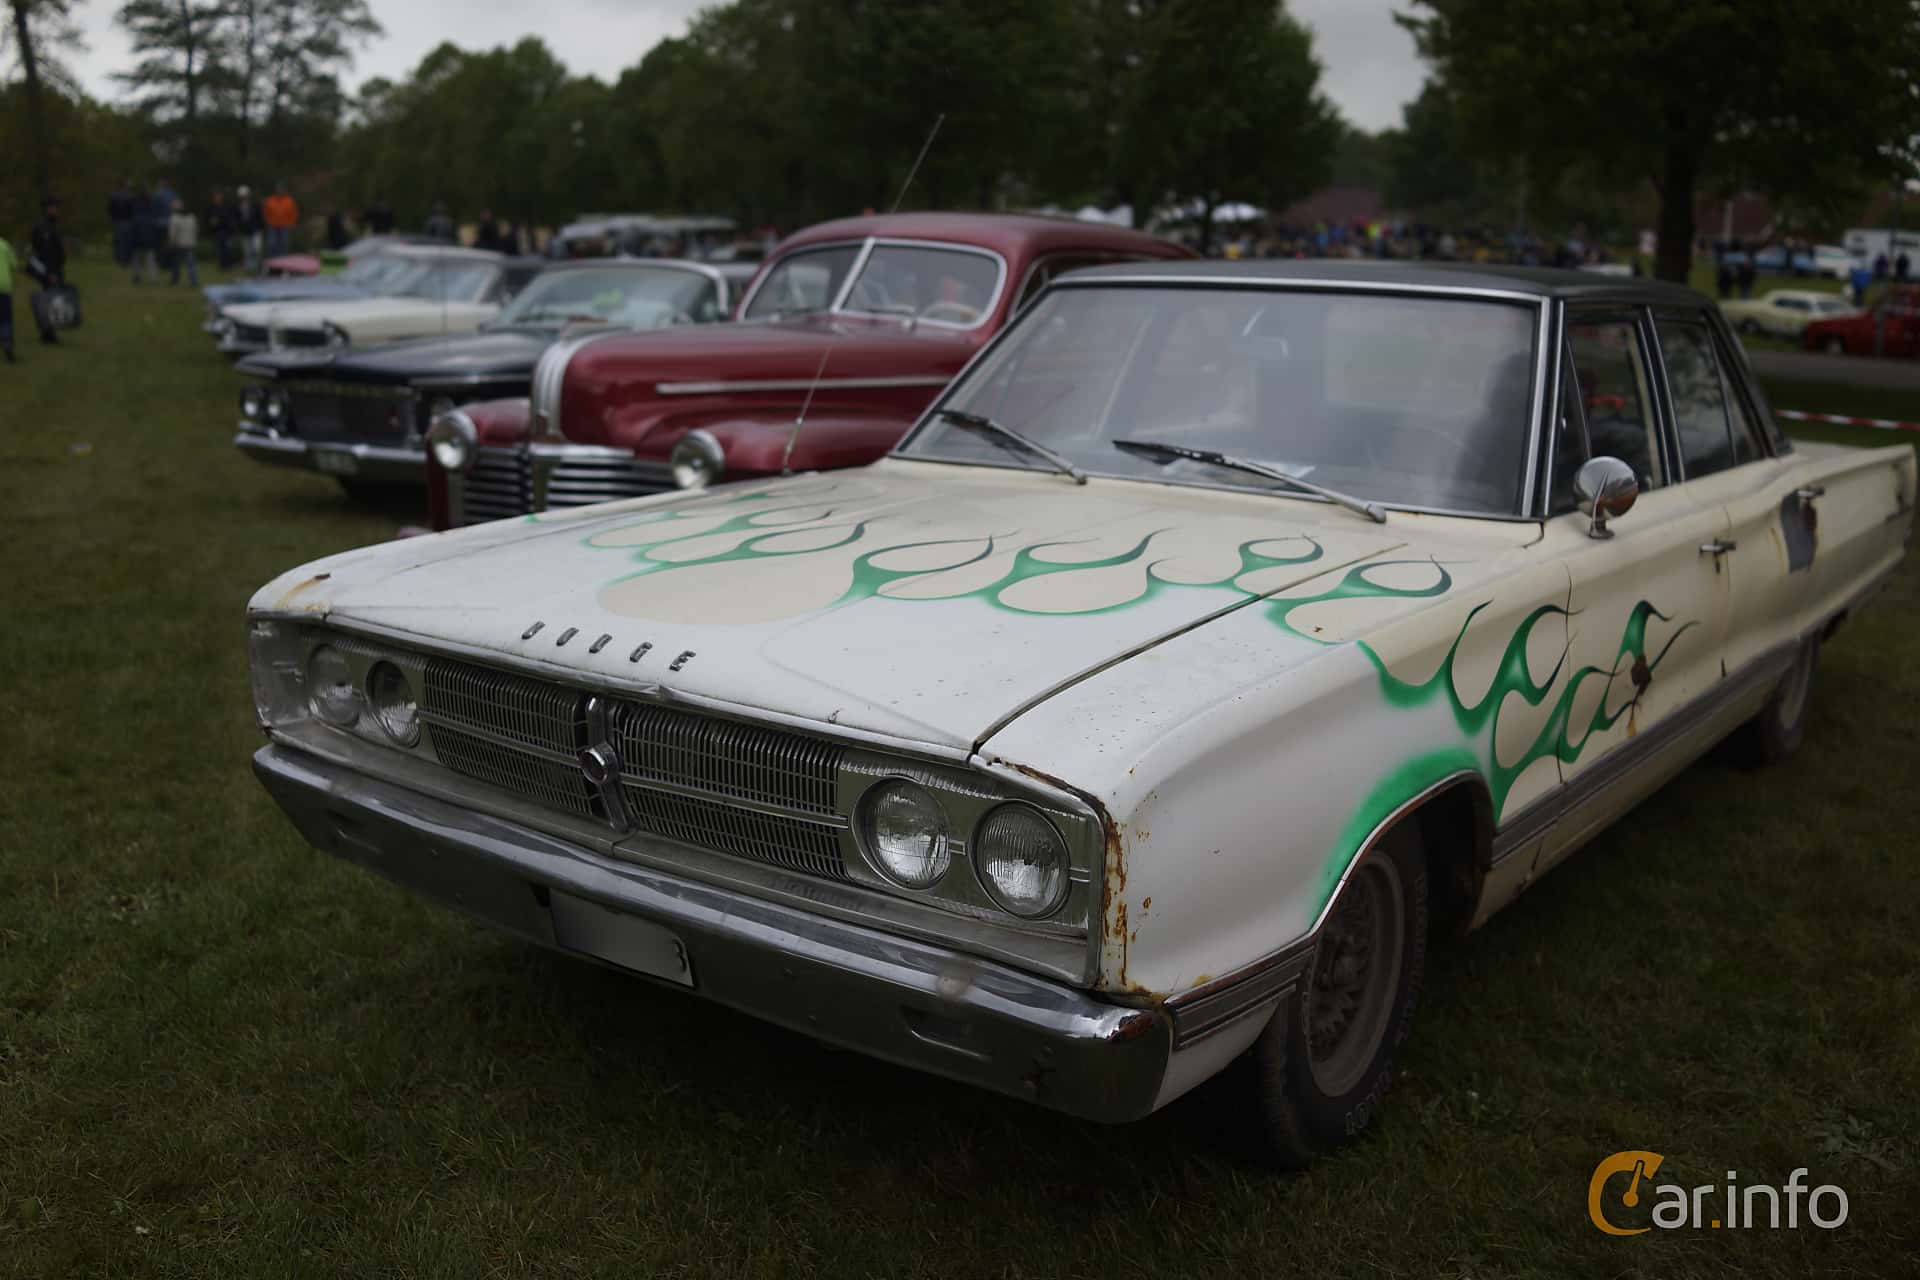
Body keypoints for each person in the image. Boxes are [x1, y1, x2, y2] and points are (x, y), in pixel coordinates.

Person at [27, 197, 68, 344]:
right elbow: (45, 252)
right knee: (49, 301)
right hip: (49, 270)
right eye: (54, 207)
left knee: (51, 299)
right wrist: (51, 273)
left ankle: (48, 333)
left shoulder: (50, 225)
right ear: (47, 209)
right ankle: (47, 334)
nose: (57, 209)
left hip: (53, 268)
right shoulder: (44, 227)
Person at [167, 198, 200, 286]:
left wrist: (171, 242)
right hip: (190, 243)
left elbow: (172, 233)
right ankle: (194, 280)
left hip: (179, 244)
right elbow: (196, 230)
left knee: (176, 264)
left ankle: (175, 280)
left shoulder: (174, 218)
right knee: (191, 263)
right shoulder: (192, 217)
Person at [234, 185, 265, 273]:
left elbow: (260, 217)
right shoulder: (237, 206)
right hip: (245, 231)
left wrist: (261, 228)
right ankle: (249, 268)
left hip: (255, 230)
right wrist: (238, 228)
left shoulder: (254, 204)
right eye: (242, 196)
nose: (243, 197)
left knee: (256, 249)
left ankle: (257, 266)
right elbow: (236, 218)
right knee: (247, 250)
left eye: (245, 195)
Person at [263, 182, 298, 258]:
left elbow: (294, 213)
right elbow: (265, 212)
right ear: (275, 190)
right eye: (278, 189)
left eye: (281, 189)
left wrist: (291, 223)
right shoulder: (270, 200)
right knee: (272, 244)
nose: (279, 191)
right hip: (272, 226)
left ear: (284, 190)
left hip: (285, 226)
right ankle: (273, 261)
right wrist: (268, 222)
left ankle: (283, 261)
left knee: (284, 244)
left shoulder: (289, 201)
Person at [107, 180, 137, 267]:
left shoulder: (114, 196)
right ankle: (127, 260)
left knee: (120, 241)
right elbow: (134, 210)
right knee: (128, 242)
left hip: (118, 221)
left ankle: (120, 259)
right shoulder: (132, 196)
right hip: (129, 221)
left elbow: (110, 209)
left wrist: (113, 218)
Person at [205, 189, 235, 271]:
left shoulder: (226, 206)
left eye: (219, 196)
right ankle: (222, 266)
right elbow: (208, 219)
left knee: (228, 249)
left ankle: (229, 265)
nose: (217, 198)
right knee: (220, 250)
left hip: (226, 231)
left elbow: (230, 218)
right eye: (216, 196)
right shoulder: (211, 207)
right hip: (217, 231)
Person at [0, 231, 17, 362]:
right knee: (5, 318)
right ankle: (7, 342)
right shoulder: (5, 245)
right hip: (4, 287)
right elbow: (14, 265)